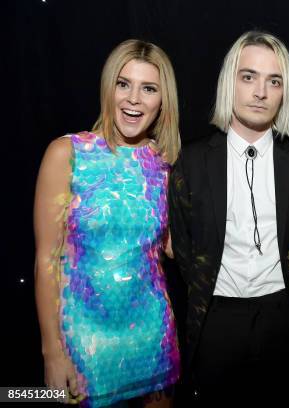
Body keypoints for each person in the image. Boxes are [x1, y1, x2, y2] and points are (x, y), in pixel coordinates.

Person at [168, 31, 289, 406]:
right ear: (229, 82)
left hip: (282, 319)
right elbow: (186, 251)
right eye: (248, 76)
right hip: (215, 321)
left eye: (274, 81)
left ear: (285, 92)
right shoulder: (191, 161)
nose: (260, 92)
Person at [34, 39, 181, 407]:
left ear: (162, 101)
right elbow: (46, 261)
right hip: (82, 347)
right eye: (123, 83)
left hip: (152, 342)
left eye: (148, 88)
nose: (134, 98)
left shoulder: (165, 165)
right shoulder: (66, 154)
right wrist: (52, 353)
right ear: (108, 88)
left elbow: (175, 249)